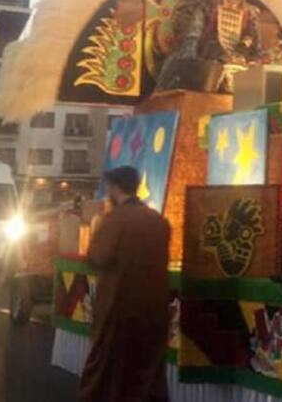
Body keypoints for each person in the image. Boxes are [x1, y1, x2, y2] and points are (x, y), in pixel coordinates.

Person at [78, 166, 171, 402]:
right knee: (145, 376)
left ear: (115, 187)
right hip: (153, 312)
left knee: (108, 377)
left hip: (117, 311)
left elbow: (97, 257)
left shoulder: (114, 220)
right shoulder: (158, 221)